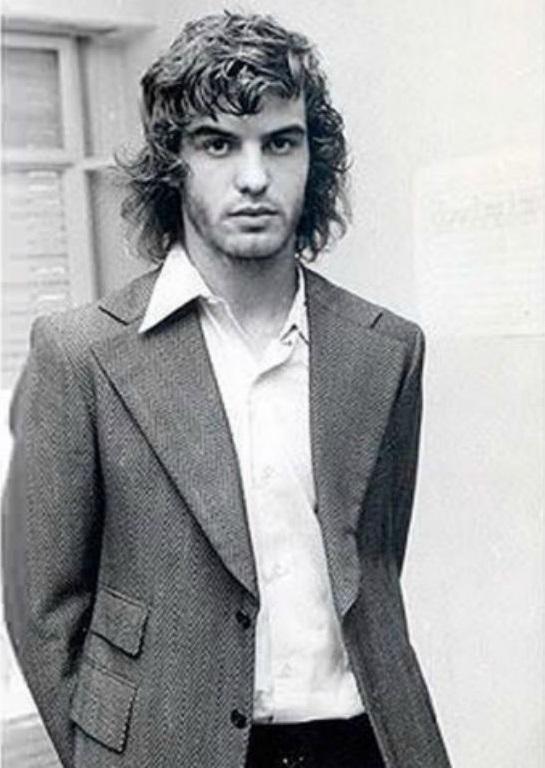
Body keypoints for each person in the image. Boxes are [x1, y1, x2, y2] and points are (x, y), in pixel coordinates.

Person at [2, 12, 451, 768]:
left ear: (313, 158)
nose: (253, 177)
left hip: (366, 739)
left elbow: (373, 565)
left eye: (280, 142)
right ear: (173, 163)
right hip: (169, 746)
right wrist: (101, 755)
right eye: (218, 144)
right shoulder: (80, 356)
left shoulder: (386, 350)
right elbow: (42, 608)